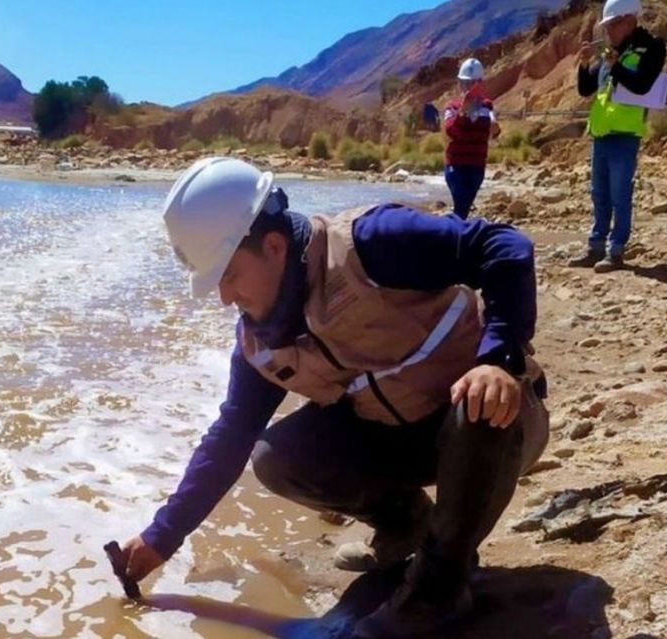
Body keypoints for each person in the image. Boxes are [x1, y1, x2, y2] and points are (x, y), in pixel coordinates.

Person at [119, 156, 551, 636]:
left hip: (497, 428)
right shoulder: (261, 343)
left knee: (477, 405)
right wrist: (162, 537)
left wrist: (498, 360)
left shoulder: (371, 244)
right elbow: (231, 436)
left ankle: (439, 587)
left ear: (275, 246)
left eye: (229, 275)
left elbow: (504, 245)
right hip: (407, 441)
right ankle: (408, 526)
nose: (225, 297)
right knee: (276, 456)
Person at [569, 0, 666, 273]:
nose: (608, 31)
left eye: (611, 25)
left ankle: (616, 251)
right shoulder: (608, 53)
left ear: (628, 20)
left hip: (625, 134)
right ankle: (595, 247)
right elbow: (586, 89)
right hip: (601, 133)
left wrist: (617, 66)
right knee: (599, 194)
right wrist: (584, 64)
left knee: (619, 195)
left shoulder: (652, 46)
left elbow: (642, 84)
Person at [443, 58, 501, 219]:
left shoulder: (487, 106)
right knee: (461, 207)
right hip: (456, 166)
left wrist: (496, 130)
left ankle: (453, 235)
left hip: (477, 166)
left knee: (464, 208)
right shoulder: (452, 107)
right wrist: (462, 113)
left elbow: (493, 134)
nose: (468, 87)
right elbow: (451, 132)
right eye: (464, 83)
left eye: (472, 83)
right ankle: (453, 237)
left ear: (480, 84)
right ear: (459, 84)